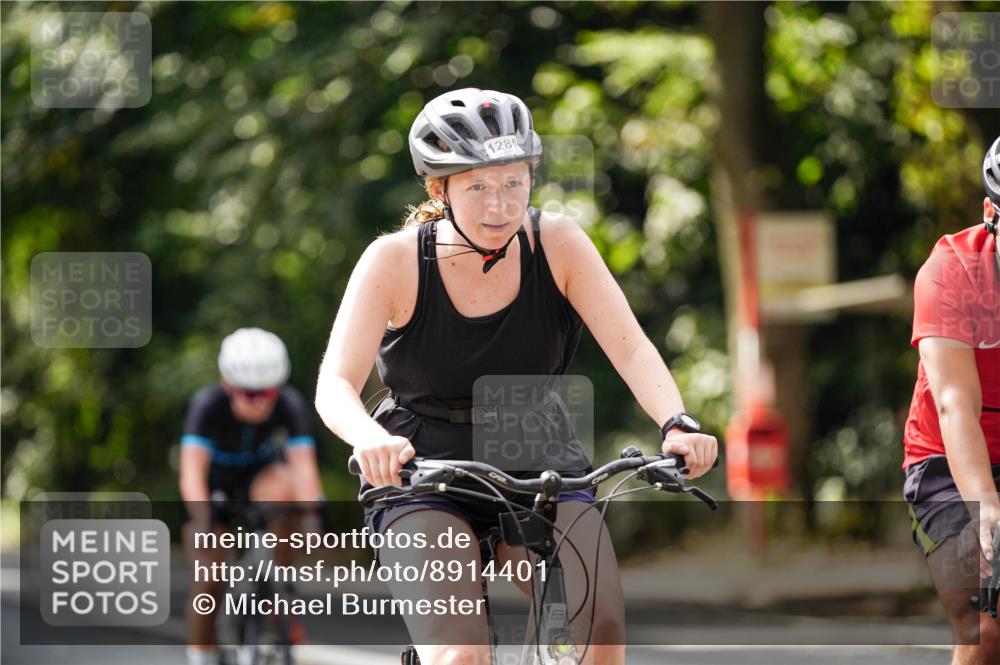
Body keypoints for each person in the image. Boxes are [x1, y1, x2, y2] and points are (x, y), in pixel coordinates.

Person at [314, 87, 718, 665]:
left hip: (539, 449)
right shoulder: (395, 261)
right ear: (439, 189)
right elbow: (335, 385)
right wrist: (370, 439)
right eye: (477, 186)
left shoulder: (558, 244)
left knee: (599, 632)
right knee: (459, 654)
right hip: (424, 463)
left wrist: (676, 424)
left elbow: (630, 349)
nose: (498, 204)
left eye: (513, 182)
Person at [902, 136, 1000, 664]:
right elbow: (954, 404)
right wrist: (987, 511)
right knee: (985, 626)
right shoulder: (952, 271)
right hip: (945, 456)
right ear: (991, 211)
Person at [179, 327, 324, 665]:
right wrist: (203, 523)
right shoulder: (207, 407)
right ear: (229, 386)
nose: (261, 403)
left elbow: (303, 468)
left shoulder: (289, 405)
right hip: (213, 493)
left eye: (269, 394)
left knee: (287, 493)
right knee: (209, 580)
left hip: (258, 483)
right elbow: (191, 474)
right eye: (250, 395)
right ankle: (201, 657)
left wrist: (314, 518)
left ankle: (279, 590)